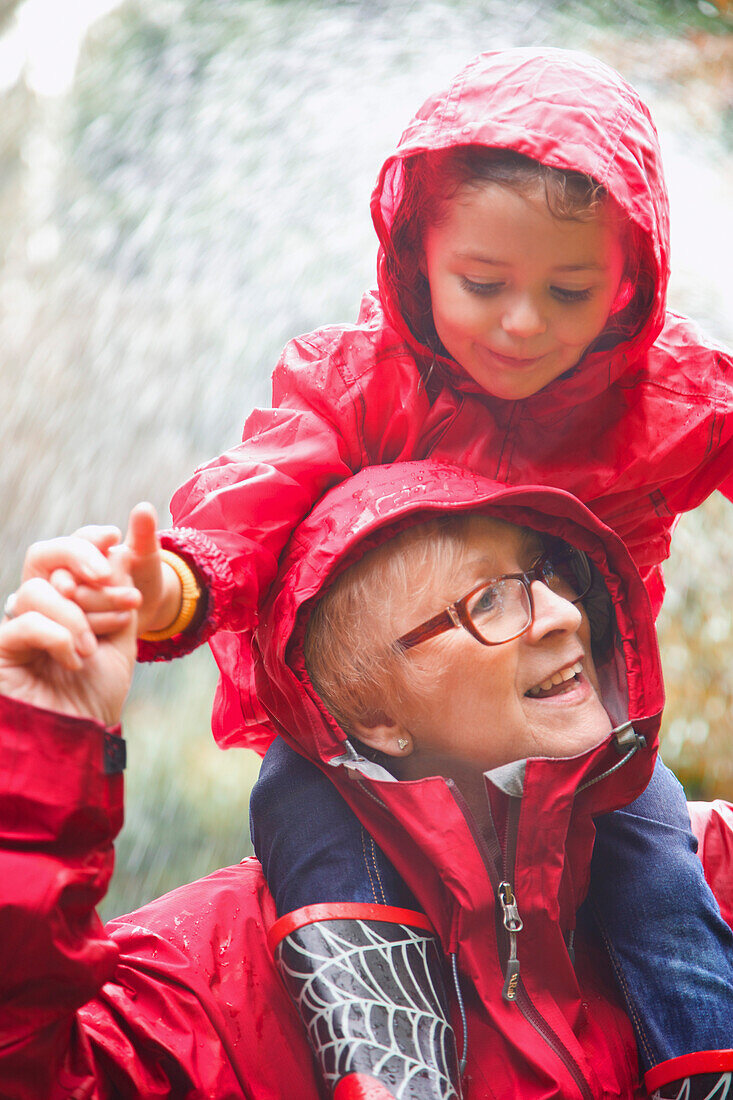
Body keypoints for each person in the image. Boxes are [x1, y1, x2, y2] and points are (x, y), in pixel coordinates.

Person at [24, 46, 733, 1094]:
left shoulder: (664, 393)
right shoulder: (360, 377)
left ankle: (701, 1058)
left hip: (593, 748)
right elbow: (250, 498)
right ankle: (384, 1055)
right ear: (413, 255)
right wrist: (171, 587)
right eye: (482, 283)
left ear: (633, 282)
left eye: (570, 288)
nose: (524, 321)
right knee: (306, 817)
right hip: (349, 736)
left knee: (662, 880)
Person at [1, 463, 732, 1100]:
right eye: (487, 601)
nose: (562, 615)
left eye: (547, 572)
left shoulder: (708, 871)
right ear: (376, 717)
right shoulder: (213, 978)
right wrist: (40, 756)